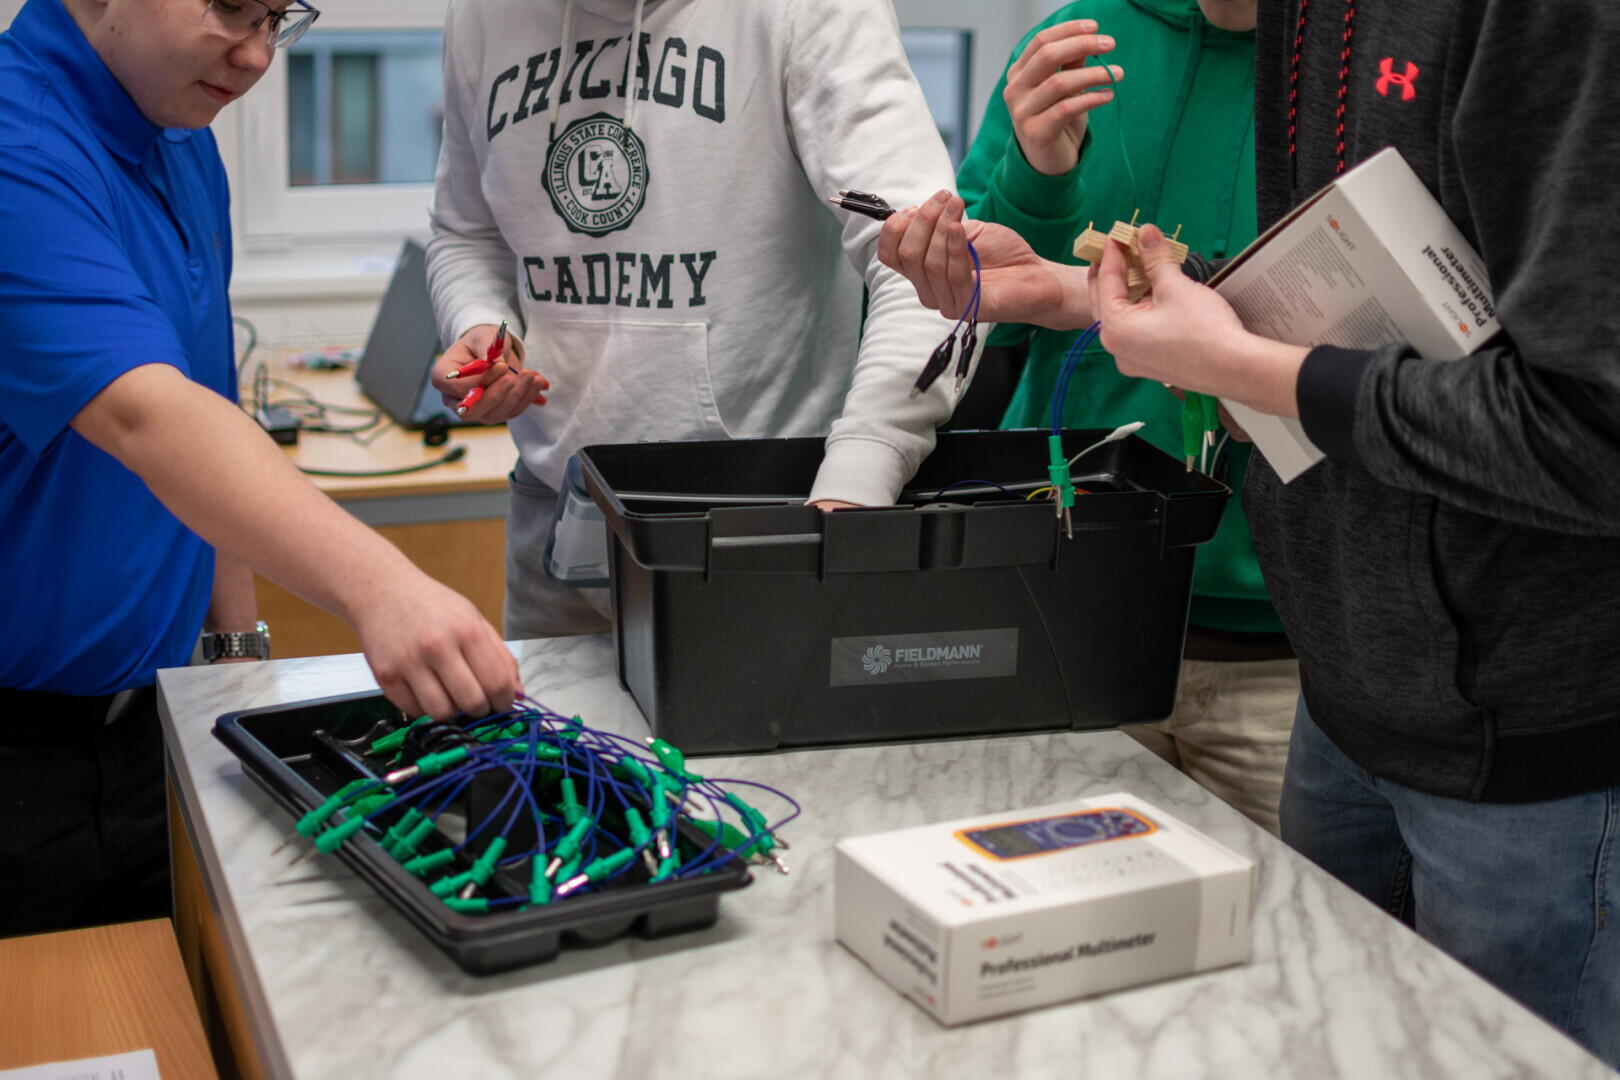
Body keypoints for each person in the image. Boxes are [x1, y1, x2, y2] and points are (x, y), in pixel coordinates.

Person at [879, 0, 1620, 1066]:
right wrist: (1064, 289)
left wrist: (1235, 368)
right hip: (1343, 700)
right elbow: (1332, 308)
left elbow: (1585, 430)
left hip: (1520, 743)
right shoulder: (1302, 25)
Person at [0, 0, 521, 938]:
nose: (256, 56)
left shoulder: (181, 138)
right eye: (231, 8)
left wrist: (235, 663)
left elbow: (211, 404)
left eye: (277, 17)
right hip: (22, 759)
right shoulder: (19, 148)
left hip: (156, 721)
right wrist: (384, 589)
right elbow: (147, 417)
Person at [424, 0, 962, 638]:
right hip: (554, 517)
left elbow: (940, 271)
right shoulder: (482, 14)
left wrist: (857, 480)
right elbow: (467, 232)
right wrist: (481, 324)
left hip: (764, 523)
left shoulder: (812, 10)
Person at [959, 1, 1299, 836]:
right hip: (1071, 615)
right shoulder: (1079, 43)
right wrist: (1038, 177)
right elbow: (974, 312)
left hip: (1290, 662)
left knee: (1285, 915)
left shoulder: (1355, 61)